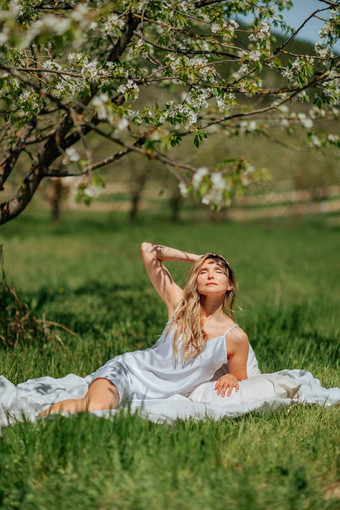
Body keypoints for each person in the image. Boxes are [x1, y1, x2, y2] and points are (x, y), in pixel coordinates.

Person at [38, 243, 251, 417]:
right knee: (95, 407)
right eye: (203, 272)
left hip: (158, 395)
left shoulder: (236, 337)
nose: (210, 275)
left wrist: (231, 378)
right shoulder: (180, 305)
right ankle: (32, 422)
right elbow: (148, 249)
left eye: (218, 271)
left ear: (230, 284)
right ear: (196, 281)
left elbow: (241, 380)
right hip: (128, 372)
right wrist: (198, 257)